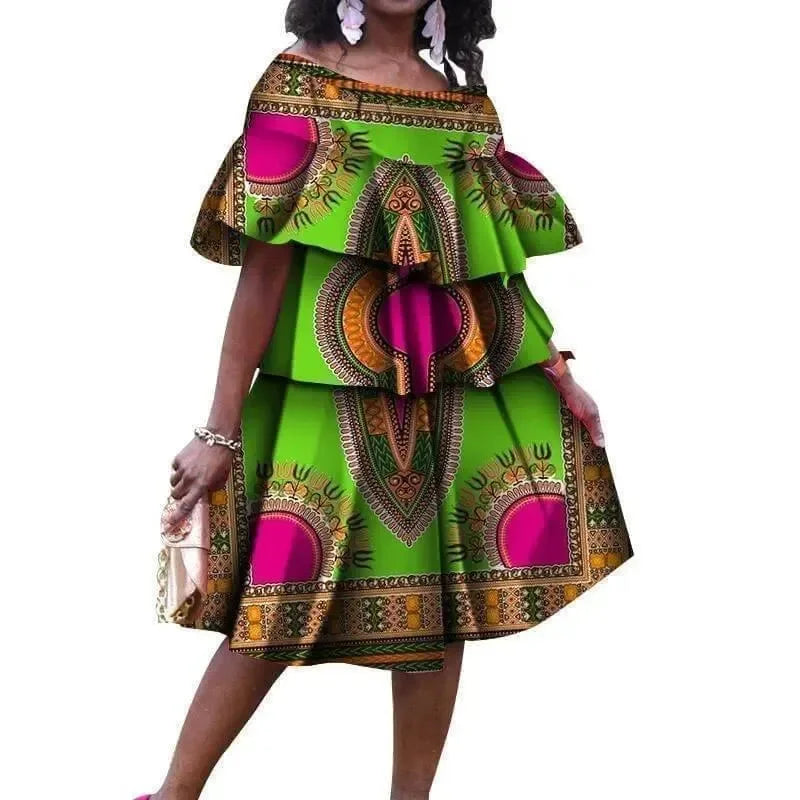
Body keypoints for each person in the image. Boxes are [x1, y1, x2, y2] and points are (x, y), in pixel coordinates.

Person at [139, 2, 632, 798]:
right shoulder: (296, 86)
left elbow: (494, 272)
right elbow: (262, 276)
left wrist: (557, 370)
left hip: (451, 396)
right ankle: (173, 795)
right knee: (277, 601)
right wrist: (219, 431)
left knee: (441, 611)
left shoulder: (463, 105)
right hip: (324, 396)